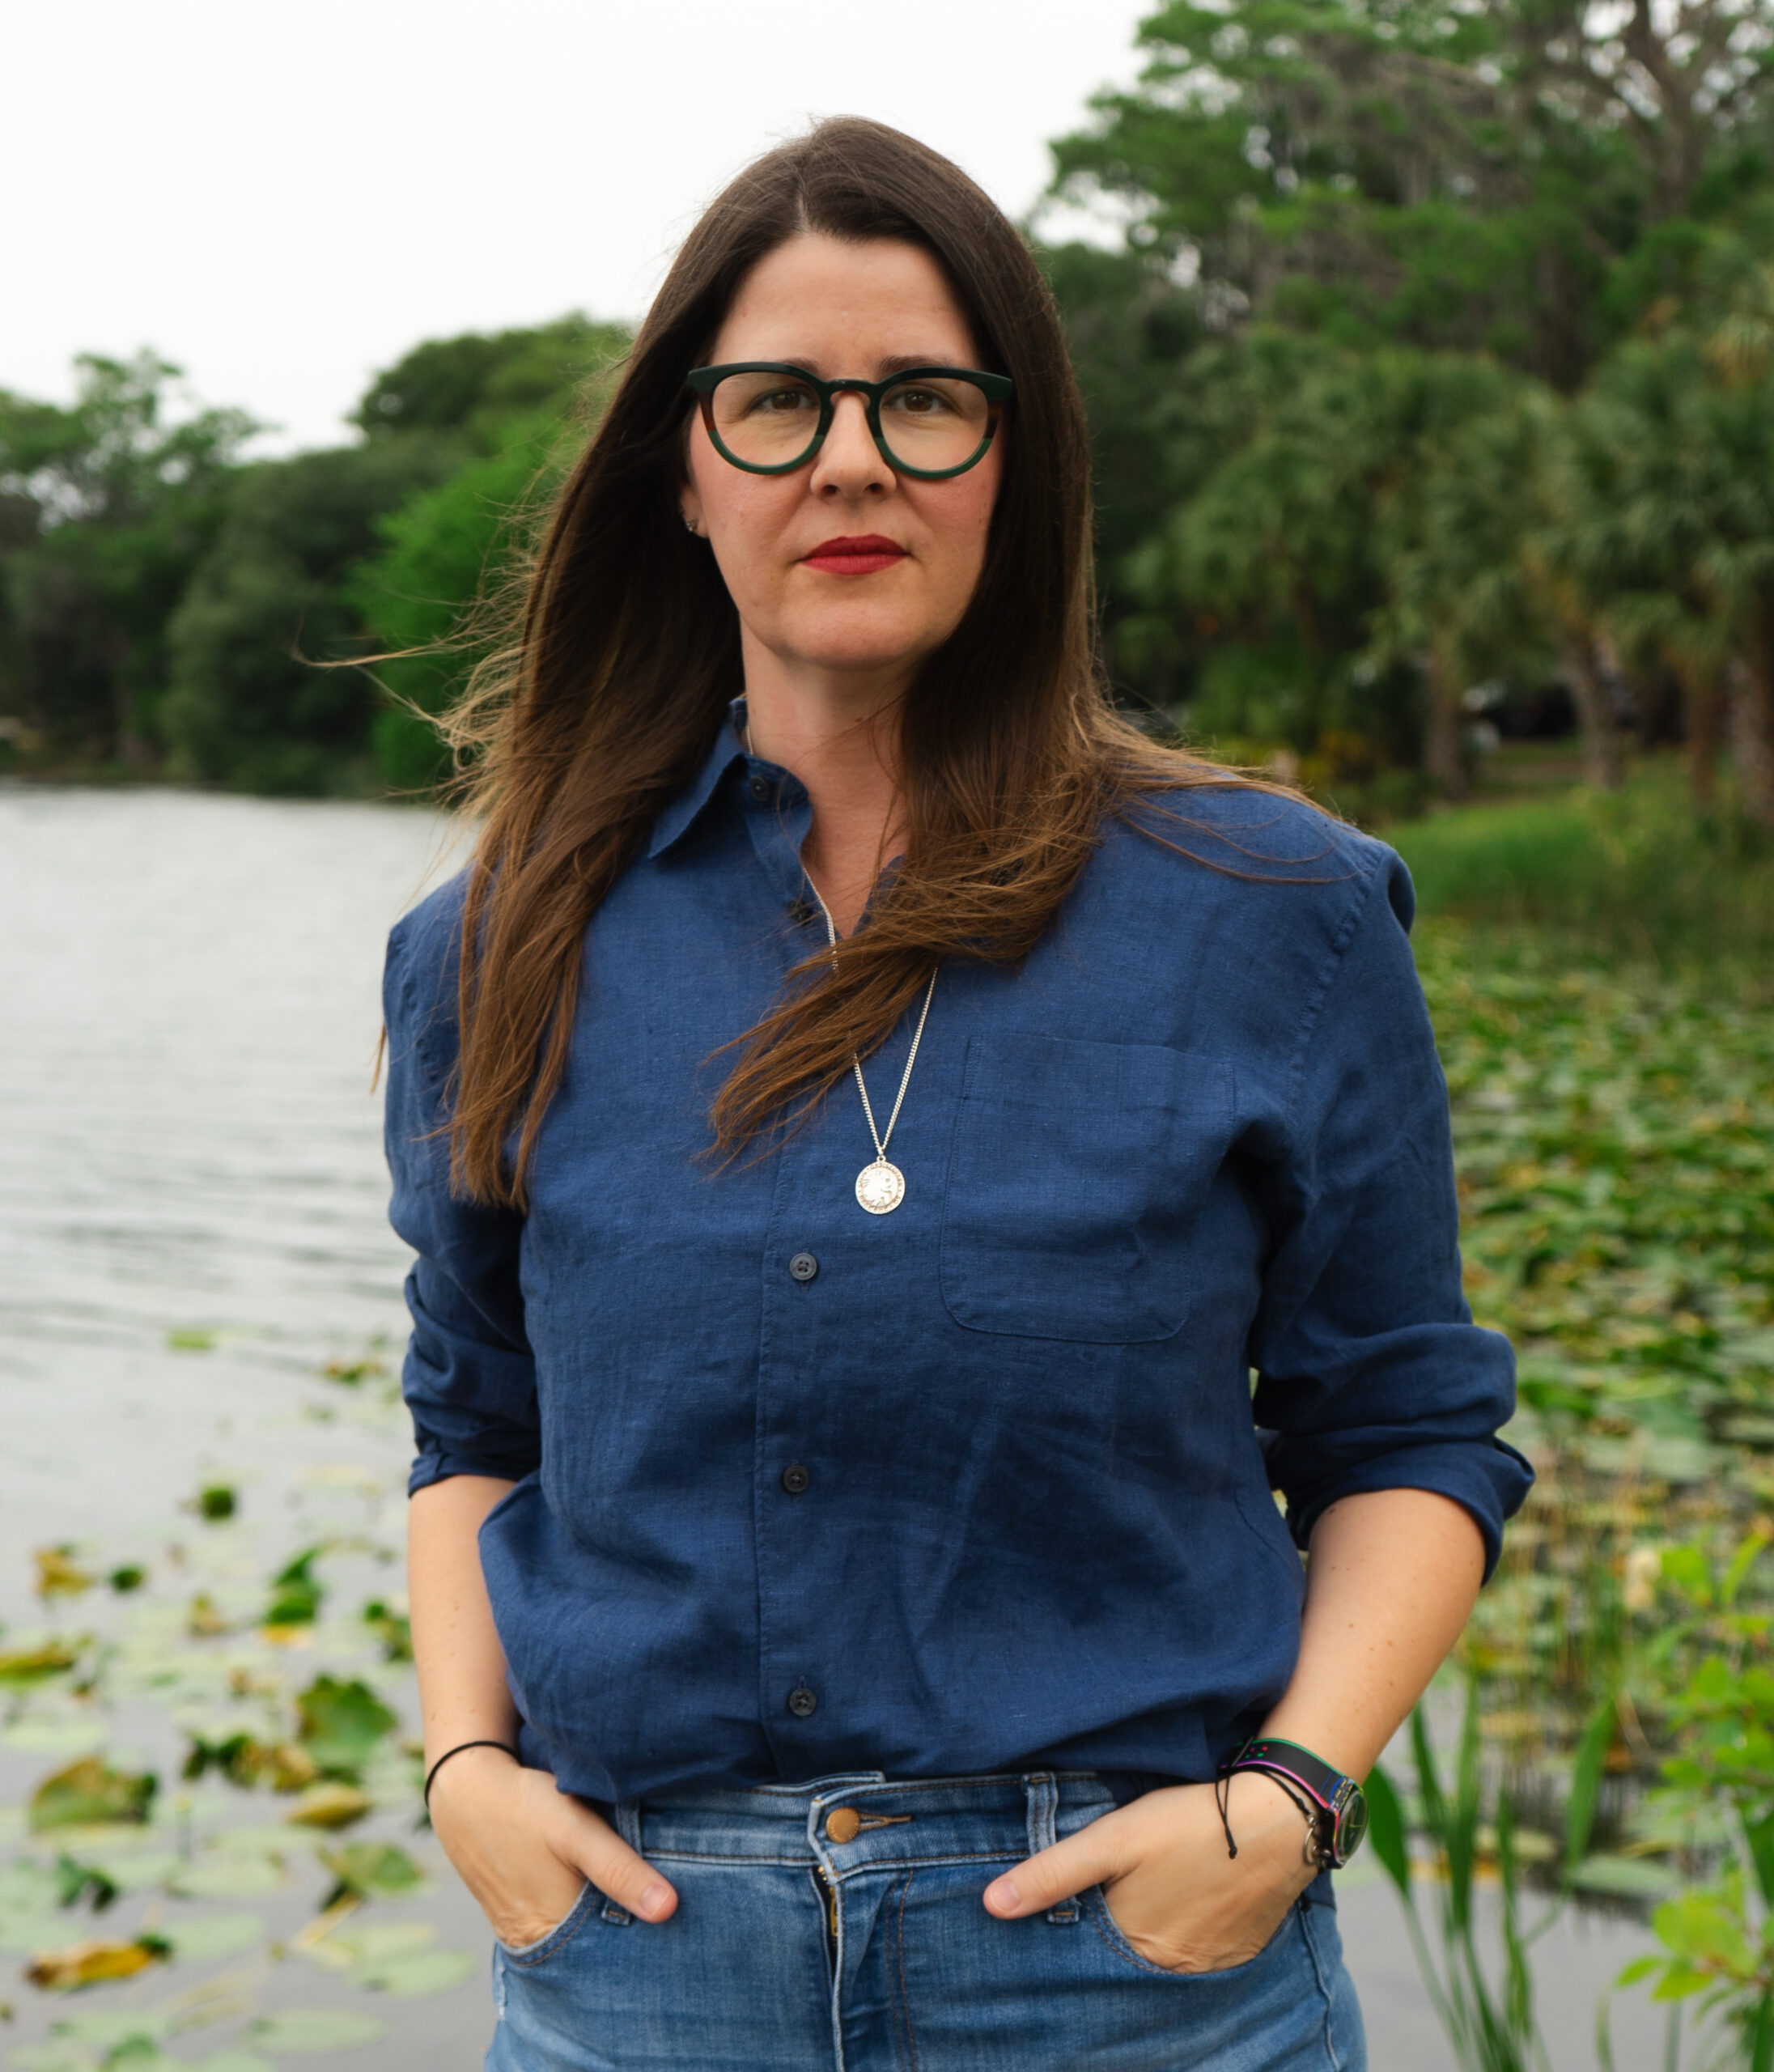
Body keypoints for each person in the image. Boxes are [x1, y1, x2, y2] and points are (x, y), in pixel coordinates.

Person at [384, 117, 1531, 2072]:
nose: (849, 457)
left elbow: (1408, 1427)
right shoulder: (492, 939)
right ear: (683, 464)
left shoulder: (1279, 910)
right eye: (776, 402)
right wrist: (469, 1766)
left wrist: (1286, 1802)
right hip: (639, 1968)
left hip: (1132, 1979)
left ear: (1014, 457)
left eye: (922, 399)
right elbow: (475, 1421)